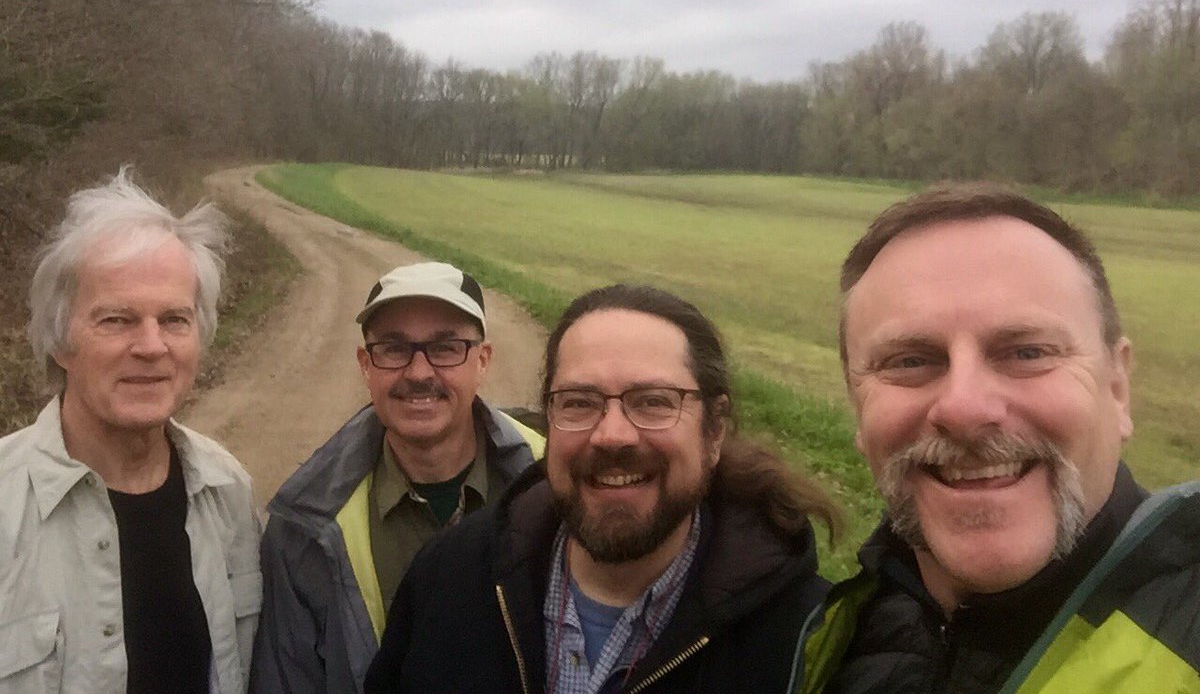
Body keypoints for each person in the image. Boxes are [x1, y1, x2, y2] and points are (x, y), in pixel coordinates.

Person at [792, 182, 1200, 693]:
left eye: (1027, 352)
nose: (964, 409)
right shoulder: (845, 632)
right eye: (910, 361)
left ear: (1117, 388)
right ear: (858, 408)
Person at [365, 283, 838, 694]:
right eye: (579, 403)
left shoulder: (808, 643)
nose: (612, 435)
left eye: (654, 402)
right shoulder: (450, 575)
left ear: (713, 432)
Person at [0, 167, 261, 693]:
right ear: (58, 340)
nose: (150, 346)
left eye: (174, 320)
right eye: (116, 319)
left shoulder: (227, 492)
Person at [251, 261, 544, 693]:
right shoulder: (302, 526)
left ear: (482, 362)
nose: (419, 372)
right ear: (366, 365)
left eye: (446, 348)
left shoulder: (556, 482)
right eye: (393, 348)